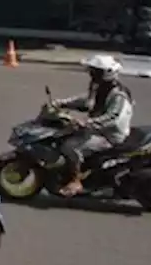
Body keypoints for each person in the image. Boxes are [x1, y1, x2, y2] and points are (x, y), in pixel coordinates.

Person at [52, 54, 133, 197]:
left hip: (110, 135)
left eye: (95, 71)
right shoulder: (99, 86)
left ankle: (76, 181)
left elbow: (113, 119)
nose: (91, 73)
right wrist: (62, 103)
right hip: (97, 129)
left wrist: (86, 123)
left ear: (107, 73)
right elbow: (87, 103)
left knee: (70, 146)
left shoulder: (118, 94)